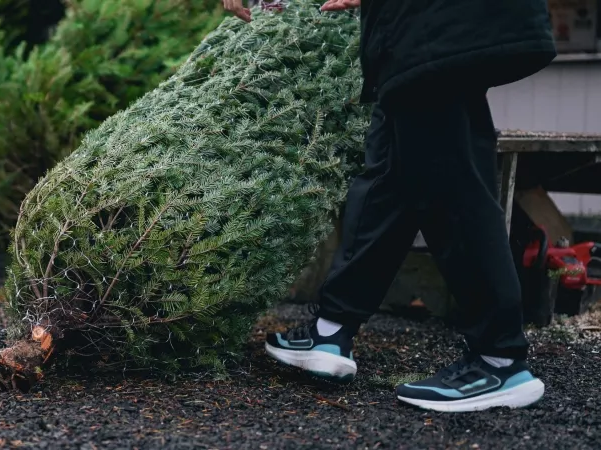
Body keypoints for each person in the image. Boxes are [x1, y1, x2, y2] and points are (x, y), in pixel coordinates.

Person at [223, 0, 558, 412]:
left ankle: (499, 359)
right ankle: (331, 329)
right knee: (391, 176)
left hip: (437, 25)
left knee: (448, 183)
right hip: (420, 26)